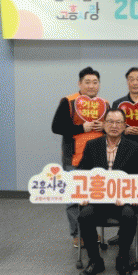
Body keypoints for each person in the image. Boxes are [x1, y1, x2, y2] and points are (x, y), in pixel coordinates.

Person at [76, 109, 138, 275]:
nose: (114, 126)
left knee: (129, 215)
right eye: (110, 122)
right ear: (104, 124)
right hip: (97, 199)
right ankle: (95, 260)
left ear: (124, 125)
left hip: (122, 200)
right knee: (84, 215)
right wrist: (82, 194)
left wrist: (132, 196)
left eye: (118, 122)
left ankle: (122, 259)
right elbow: (82, 173)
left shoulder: (134, 147)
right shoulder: (92, 145)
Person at [52, 66, 108, 248]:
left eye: (95, 82)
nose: (91, 86)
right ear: (79, 83)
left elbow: (115, 127)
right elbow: (56, 127)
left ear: (99, 84)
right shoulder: (68, 101)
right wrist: (81, 128)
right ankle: (77, 234)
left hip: (99, 158)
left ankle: (91, 231)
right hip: (74, 158)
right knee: (74, 198)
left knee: (95, 196)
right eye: (87, 82)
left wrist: (105, 127)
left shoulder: (105, 104)